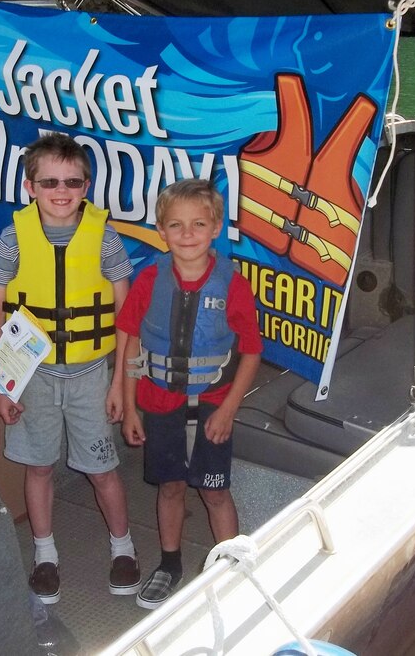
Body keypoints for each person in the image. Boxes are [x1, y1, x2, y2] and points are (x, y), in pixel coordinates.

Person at [0, 132, 140, 604]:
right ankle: (45, 555)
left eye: (72, 181)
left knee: (103, 470)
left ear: (87, 186)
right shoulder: (13, 238)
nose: (61, 190)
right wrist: (3, 385)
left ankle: (124, 548)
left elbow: (125, 314)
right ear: (30, 187)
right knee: (39, 467)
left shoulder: (104, 237)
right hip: (33, 377)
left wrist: (120, 383)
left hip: (92, 375)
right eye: (49, 181)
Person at [117, 178, 262, 610]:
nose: (186, 234)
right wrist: (129, 407)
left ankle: (235, 567)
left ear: (215, 227)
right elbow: (129, 343)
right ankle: (170, 564)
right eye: (176, 225)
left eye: (198, 224)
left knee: (215, 492)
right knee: (171, 488)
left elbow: (252, 352)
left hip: (214, 405)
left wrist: (229, 410)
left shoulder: (233, 284)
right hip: (159, 404)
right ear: (161, 230)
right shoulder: (149, 280)